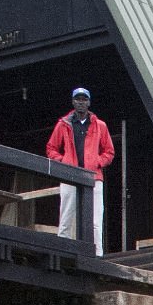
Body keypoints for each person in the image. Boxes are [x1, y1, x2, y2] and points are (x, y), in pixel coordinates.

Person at [46, 86, 113, 253]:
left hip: (93, 176)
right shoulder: (63, 125)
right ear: (73, 102)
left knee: (96, 221)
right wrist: (63, 162)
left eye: (84, 100)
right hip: (70, 175)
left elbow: (109, 152)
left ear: (88, 103)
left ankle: (97, 255)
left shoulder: (100, 126)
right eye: (78, 99)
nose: (81, 103)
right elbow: (51, 148)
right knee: (66, 218)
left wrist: (97, 162)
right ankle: (62, 252)